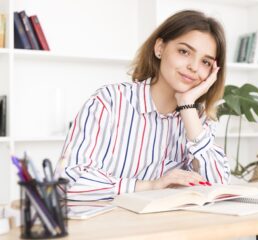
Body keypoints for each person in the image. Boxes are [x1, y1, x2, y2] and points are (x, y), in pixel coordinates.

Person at [57, 10, 231, 201]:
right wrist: (151, 185)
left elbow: (218, 188)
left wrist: (187, 107)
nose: (194, 67)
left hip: (171, 227)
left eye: (205, 62)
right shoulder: (109, 101)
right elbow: (68, 179)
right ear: (160, 48)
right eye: (184, 52)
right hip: (108, 226)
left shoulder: (197, 120)